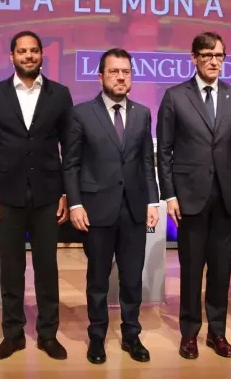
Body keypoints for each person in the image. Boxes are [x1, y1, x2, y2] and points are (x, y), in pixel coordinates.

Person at [156, 32, 231, 359]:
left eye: (220, 56)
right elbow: (164, 152)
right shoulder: (174, 96)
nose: (215, 61)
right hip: (189, 198)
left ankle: (217, 332)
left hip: (227, 197)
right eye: (208, 55)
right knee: (191, 268)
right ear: (194, 58)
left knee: (221, 269)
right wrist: (169, 195)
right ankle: (189, 334)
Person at [0, 30, 73, 360]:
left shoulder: (60, 94)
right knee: (11, 268)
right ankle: (13, 334)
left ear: (41, 54)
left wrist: (65, 192)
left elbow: (69, 148)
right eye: (22, 51)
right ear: (12, 56)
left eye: (34, 51)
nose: (28, 56)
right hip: (6, 194)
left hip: (48, 194)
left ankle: (48, 334)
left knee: (47, 268)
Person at [62, 48, 160, 364]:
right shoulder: (81, 113)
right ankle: (97, 338)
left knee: (132, 278)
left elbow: (147, 160)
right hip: (96, 210)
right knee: (98, 280)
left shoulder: (143, 113)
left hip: (133, 209)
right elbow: (71, 163)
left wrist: (152, 200)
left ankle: (132, 336)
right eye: (114, 71)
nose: (121, 77)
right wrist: (75, 203)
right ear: (101, 75)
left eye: (126, 72)